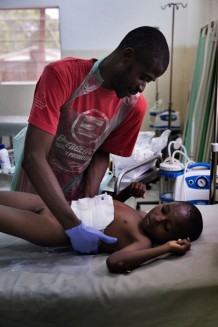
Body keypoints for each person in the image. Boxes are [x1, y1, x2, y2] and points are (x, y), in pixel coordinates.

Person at [14, 26, 170, 254]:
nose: (141, 87)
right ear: (127, 56)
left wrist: (89, 200)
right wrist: (74, 226)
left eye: (149, 82)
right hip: (34, 186)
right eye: (143, 77)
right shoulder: (63, 75)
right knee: (21, 248)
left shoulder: (133, 106)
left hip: (77, 203)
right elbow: (34, 156)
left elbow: (102, 150)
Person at [0, 182, 203, 274]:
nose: (158, 218)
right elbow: (107, 210)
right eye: (165, 210)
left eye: (166, 227)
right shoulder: (141, 216)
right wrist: (126, 193)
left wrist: (166, 248)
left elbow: (115, 262)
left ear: (171, 237)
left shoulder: (143, 241)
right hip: (58, 205)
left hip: (56, 228)